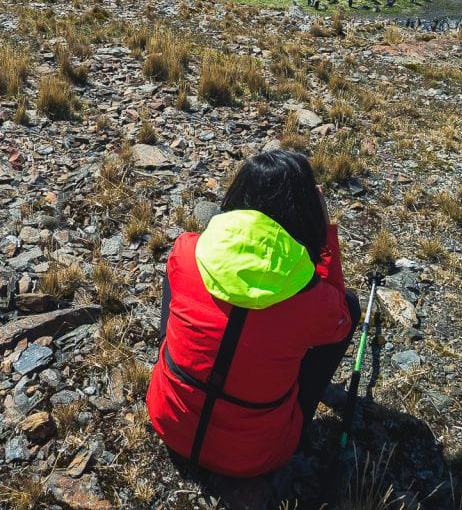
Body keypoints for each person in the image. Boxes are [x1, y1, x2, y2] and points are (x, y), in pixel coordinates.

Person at [146, 150, 360, 479]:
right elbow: (341, 316)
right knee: (351, 305)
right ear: (305, 211)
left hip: (169, 420)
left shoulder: (187, 249)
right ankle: (300, 418)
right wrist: (326, 232)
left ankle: (169, 354)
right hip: (256, 455)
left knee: (174, 275)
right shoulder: (313, 300)